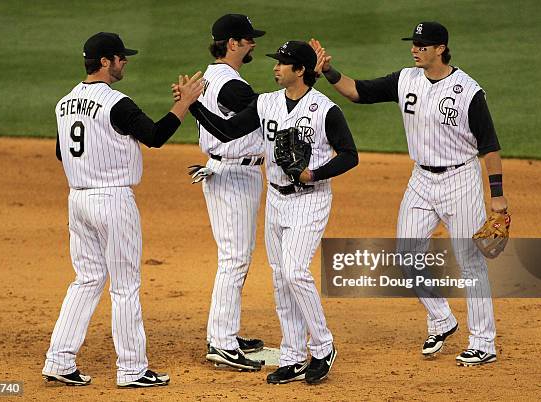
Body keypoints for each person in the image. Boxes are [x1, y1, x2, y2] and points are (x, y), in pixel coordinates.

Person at [312, 21, 508, 366]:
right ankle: (442, 318)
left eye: (421, 45)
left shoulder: (468, 91)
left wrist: (497, 195)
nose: (414, 49)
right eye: (413, 44)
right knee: (405, 253)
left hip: (460, 179)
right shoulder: (406, 79)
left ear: (440, 48)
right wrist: (329, 71)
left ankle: (483, 341)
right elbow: (358, 91)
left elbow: (489, 147)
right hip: (420, 179)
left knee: (469, 261)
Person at [187, 40, 358, 384]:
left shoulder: (326, 110)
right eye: (276, 62)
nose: (275, 67)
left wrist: (314, 174)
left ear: (300, 71)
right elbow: (228, 130)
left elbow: (349, 155)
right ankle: (294, 355)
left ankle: (323, 346)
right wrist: (192, 106)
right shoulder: (266, 103)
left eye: (283, 63)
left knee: (295, 272)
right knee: (281, 279)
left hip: (310, 199)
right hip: (277, 199)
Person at [42, 32, 203, 387]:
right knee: (125, 286)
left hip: (78, 201)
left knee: (86, 279)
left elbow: (61, 153)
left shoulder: (63, 102)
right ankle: (132, 369)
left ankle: (59, 359)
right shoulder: (117, 103)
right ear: (105, 62)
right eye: (120, 57)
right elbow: (156, 136)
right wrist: (187, 103)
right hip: (112, 201)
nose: (124, 61)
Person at [189, 14, 266, 371]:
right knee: (234, 257)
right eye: (248, 40)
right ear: (232, 43)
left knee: (236, 255)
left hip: (228, 170)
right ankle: (221, 341)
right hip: (233, 173)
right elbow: (264, 112)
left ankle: (225, 332)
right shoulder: (230, 85)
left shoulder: (215, 77)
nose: (253, 45)